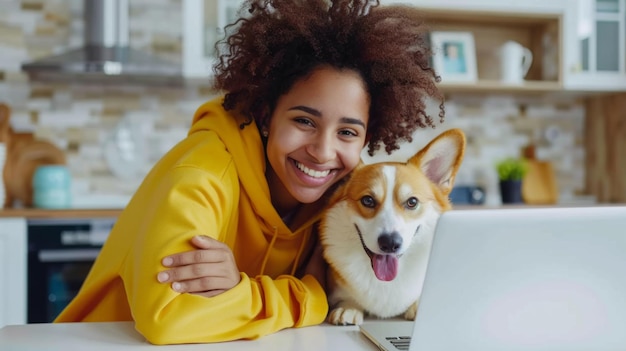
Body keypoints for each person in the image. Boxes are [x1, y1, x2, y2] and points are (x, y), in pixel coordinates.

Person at [54, 0, 444, 345]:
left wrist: (240, 292)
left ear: (365, 138)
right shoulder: (199, 174)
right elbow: (167, 318)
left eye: (347, 132)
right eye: (304, 121)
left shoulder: (348, 196)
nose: (323, 151)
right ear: (265, 113)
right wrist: (306, 293)